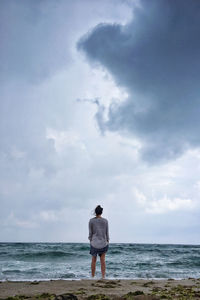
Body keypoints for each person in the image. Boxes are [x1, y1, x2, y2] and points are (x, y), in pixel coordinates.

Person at [88, 205, 109, 279]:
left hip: (94, 243)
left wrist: (90, 240)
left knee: (93, 260)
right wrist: (107, 241)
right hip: (103, 243)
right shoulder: (105, 221)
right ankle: (103, 277)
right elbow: (107, 233)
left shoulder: (91, 221)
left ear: (95, 212)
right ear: (101, 212)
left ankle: (93, 277)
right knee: (102, 261)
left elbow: (90, 233)